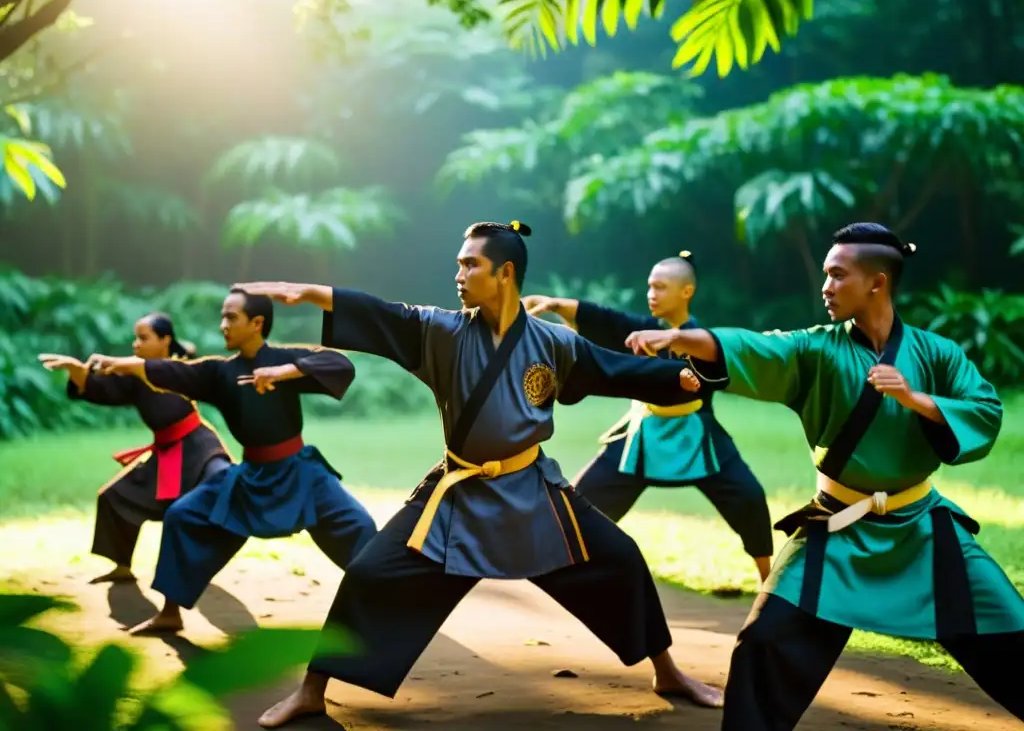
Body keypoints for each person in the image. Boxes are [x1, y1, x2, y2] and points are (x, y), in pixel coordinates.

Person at [237, 220, 725, 728]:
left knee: (620, 558)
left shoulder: (554, 343)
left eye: (471, 264)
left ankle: (666, 672)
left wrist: (680, 377)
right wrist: (316, 293)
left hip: (533, 493)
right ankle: (313, 691)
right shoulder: (441, 331)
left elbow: (614, 369)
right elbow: (384, 316)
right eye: (458, 263)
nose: (460, 274)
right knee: (368, 574)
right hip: (459, 493)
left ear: (505, 273)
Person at [623, 222, 1024, 729]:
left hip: (923, 526)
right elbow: (757, 347)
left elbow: (984, 411)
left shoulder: (936, 353)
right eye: (825, 275)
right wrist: (681, 336)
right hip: (836, 528)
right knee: (764, 643)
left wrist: (913, 398)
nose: (825, 286)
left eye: (838, 275)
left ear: (877, 282)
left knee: (1012, 631)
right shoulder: (817, 349)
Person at [88, 288, 378, 635]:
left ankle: (383, 607)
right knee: (183, 516)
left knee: (359, 527)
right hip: (249, 478)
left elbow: (340, 364)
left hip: (301, 474)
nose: (223, 325)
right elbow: (173, 372)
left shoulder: (285, 359)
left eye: (231, 317)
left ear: (257, 323)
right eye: (222, 317)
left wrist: (284, 372)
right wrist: (121, 364)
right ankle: (170, 613)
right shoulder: (218, 373)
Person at [523, 250, 773, 585]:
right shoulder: (641, 329)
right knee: (583, 499)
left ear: (686, 292)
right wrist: (554, 303)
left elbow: (724, 364)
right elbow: (604, 319)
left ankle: (768, 578)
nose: (652, 294)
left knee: (748, 497)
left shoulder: (703, 340)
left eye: (661, 287)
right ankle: (562, 569)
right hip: (642, 435)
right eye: (650, 287)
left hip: (696, 434)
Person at [38, 313, 232, 585]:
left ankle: (200, 562)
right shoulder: (133, 377)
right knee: (115, 496)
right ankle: (122, 566)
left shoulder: (182, 370)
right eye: (136, 338)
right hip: (165, 453)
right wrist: (75, 369)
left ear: (165, 340)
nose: (135, 344)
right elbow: (98, 388)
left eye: (144, 338)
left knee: (216, 491)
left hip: (199, 449)